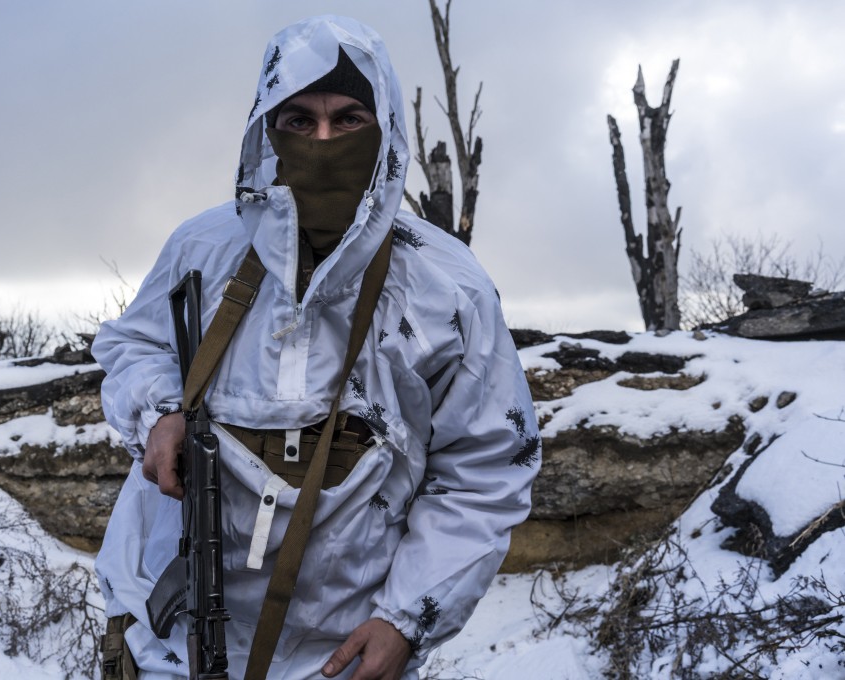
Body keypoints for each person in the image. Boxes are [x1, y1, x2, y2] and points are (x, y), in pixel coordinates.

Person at [93, 15, 540, 680]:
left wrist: (406, 622)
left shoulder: (447, 288)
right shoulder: (204, 249)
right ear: (267, 129)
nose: (324, 141)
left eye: (349, 120)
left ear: (383, 126)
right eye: (299, 120)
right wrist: (158, 409)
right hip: (166, 642)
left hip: (339, 661)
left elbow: (483, 473)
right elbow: (134, 345)